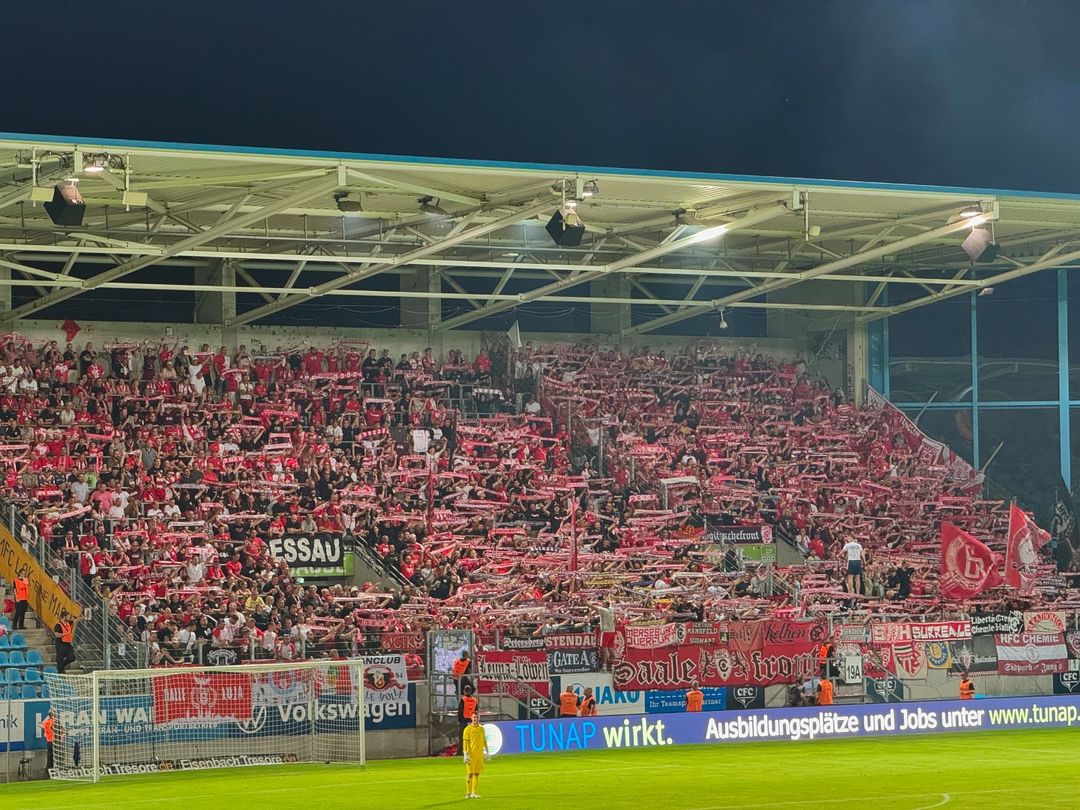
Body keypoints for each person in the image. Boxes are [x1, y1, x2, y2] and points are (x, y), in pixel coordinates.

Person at [462, 712, 490, 799]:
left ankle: (474, 792)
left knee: (477, 774)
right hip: (471, 755)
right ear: (471, 718)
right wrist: (465, 754)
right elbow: (465, 742)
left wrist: (487, 752)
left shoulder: (482, 729)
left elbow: (484, 740)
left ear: (479, 718)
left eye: (477, 717)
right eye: (474, 717)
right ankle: (468, 792)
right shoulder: (467, 729)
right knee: (470, 774)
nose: (475, 719)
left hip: (479, 755)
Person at [54, 609, 77, 674]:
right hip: (60, 644)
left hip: (67, 644)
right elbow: (57, 635)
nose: (69, 617)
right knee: (60, 659)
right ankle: (60, 672)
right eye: (68, 616)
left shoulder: (68, 623)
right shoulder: (58, 625)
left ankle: (63, 665)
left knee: (72, 657)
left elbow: (76, 620)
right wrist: (66, 634)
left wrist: (85, 616)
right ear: (64, 616)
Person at [41, 708, 59, 774]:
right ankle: (53, 771)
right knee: (54, 757)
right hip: (53, 742)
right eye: (54, 714)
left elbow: (43, 725)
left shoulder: (47, 722)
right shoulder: (53, 722)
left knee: (50, 757)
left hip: (49, 741)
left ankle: (49, 771)